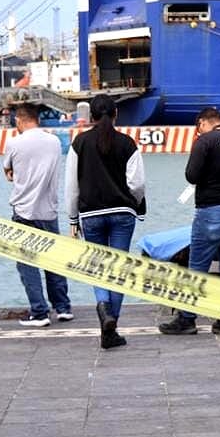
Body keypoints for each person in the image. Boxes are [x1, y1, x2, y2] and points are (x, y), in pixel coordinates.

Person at [158, 107, 220, 337]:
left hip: (212, 211)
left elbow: (191, 176)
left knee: (197, 266)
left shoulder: (205, 142)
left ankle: (187, 319)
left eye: (197, 128)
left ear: (203, 123)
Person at [66, 94, 146, 349]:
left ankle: (102, 306)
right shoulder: (127, 143)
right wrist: (135, 203)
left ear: (90, 116)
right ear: (115, 115)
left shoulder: (79, 142)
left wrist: (72, 218)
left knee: (98, 267)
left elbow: (71, 186)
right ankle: (111, 328)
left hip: (90, 215)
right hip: (123, 213)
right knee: (119, 270)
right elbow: (137, 184)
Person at [2, 103, 73, 327]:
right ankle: (62, 307)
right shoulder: (53, 141)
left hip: (24, 211)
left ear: (19, 121)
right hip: (49, 211)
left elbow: (8, 171)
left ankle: (39, 312)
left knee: (27, 263)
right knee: (54, 261)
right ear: (38, 119)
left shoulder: (14, 142)